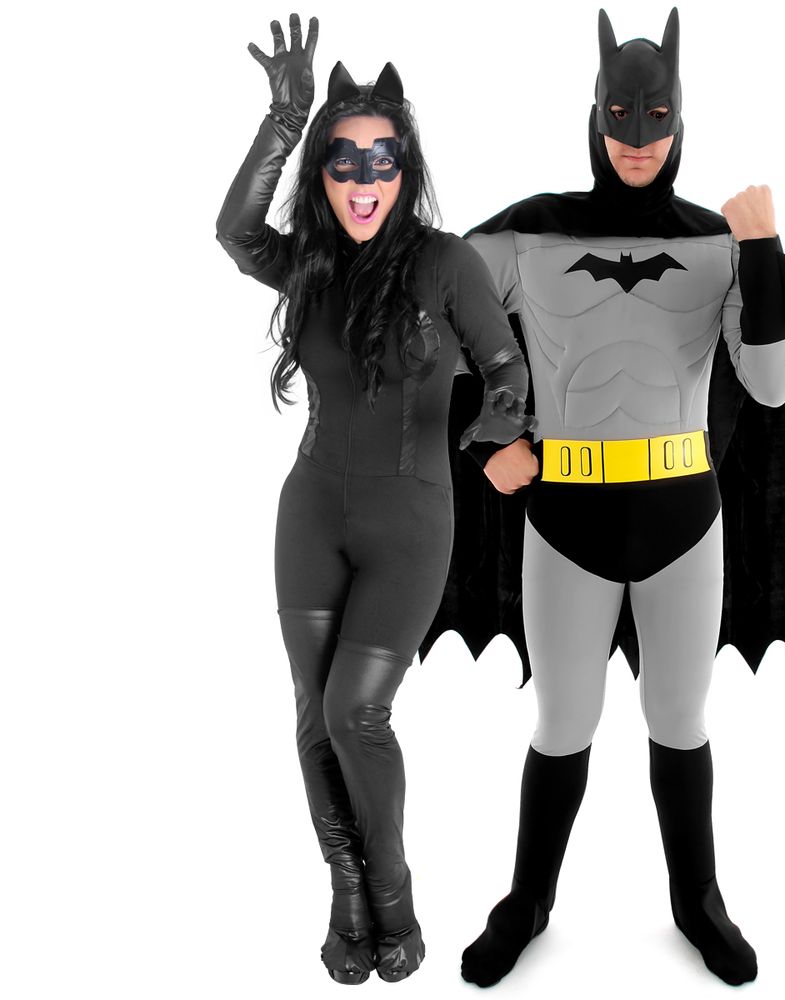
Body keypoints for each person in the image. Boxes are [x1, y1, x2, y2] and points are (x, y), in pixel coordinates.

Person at [437, 7, 785, 989]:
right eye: (621, 116)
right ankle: (527, 901)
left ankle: (697, 900)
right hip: (563, 518)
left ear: (680, 120)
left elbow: (771, 386)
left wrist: (764, 252)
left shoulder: (717, 245)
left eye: (656, 118)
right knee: (562, 722)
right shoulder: (527, 234)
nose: (638, 138)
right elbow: (433, 325)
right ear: (595, 114)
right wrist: (484, 437)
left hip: (682, 520)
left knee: (679, 718)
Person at [215, 15, 531, 986]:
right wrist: (282, 123)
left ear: (405, 168)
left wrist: (495, 428)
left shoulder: (446, 263)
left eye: (381, 162)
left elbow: (508, 370)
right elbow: (235, 233)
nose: (362, 182)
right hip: (310, 514)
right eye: (342, 162)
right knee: (314, 717)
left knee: (356, 711)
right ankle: (347, 896)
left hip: (411, 523)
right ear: (322, 173)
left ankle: (393, 895)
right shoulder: (311, 266)